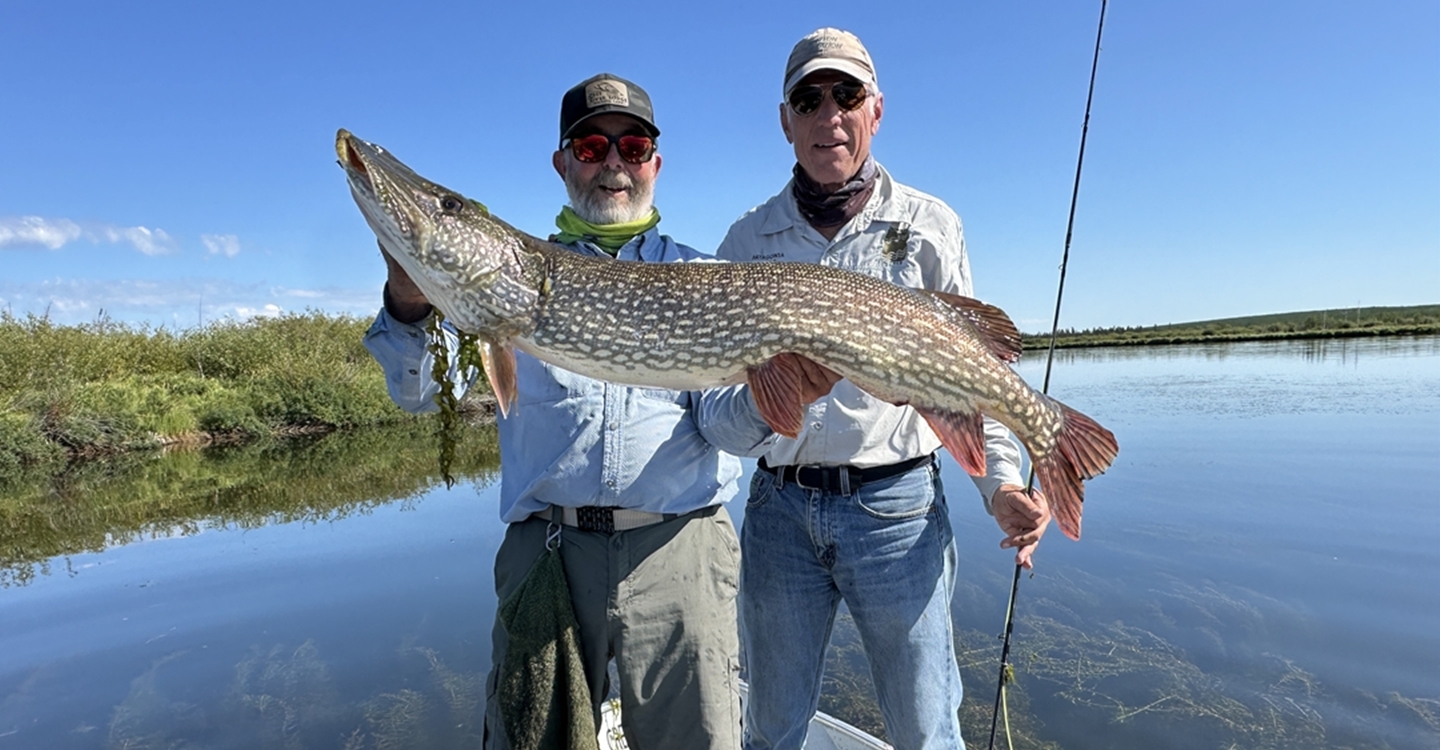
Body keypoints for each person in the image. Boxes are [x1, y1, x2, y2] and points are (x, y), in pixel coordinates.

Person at [363, 73, 744, 750]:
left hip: (679, 550)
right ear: (564, 163)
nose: (614, 165)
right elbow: (417, 394)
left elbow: (726, 426)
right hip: (548, 554)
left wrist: (791, 391)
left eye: (632, 146)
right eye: (594, 146)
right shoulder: (504, 291)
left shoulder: (703, 278)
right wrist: (408, 300)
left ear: (655, 162)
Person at [709, 29, 1053, 750]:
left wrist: (1004, 486)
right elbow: (718, 421)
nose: (828, 114)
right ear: (786, 120)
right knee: (769, 730)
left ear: (876, 110)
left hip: (897, 511)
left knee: (927, 730)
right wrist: (776, 400)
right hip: (779, 512)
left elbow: (977, 382)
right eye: (809, 98)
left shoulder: (930, 226)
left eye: (846, 95)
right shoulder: (746, 241)